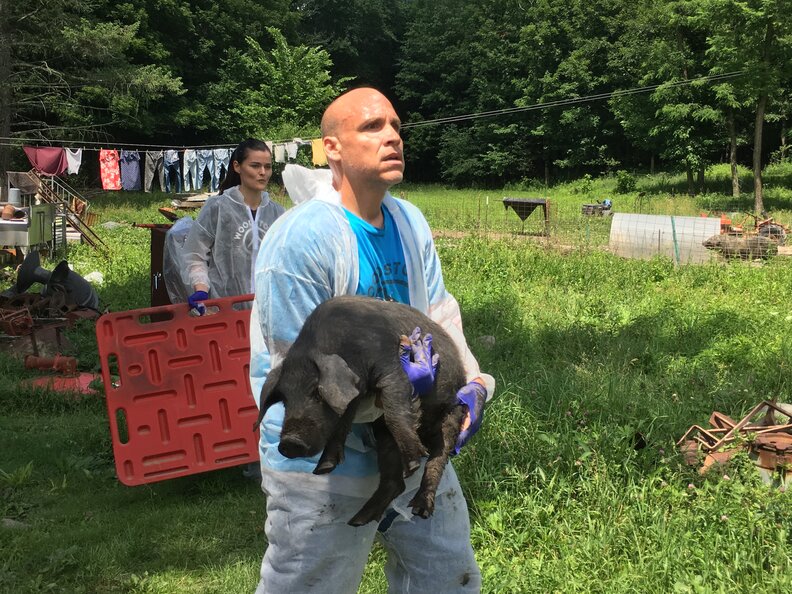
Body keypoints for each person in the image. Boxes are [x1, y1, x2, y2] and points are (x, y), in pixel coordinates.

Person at [249, 88, 494, 593]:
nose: (392, 137)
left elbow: (439, 313)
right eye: (372, 127)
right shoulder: (302, 240)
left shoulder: (409, 222)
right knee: (310, 585)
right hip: (321, 459)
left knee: (447, 578)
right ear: (331, 148)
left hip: (410, 438)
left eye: (396, 127)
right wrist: (399, 390)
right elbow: (301, 378)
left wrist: (468, 383)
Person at [181, 138, 285, 315]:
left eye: (267, 167)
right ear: (237, 166)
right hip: (224, 310)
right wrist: (200, 289)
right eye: (255, 166)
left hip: (268, 312)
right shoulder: (218, 208)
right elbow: (195, 254)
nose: (263, 172)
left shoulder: (277, 213)